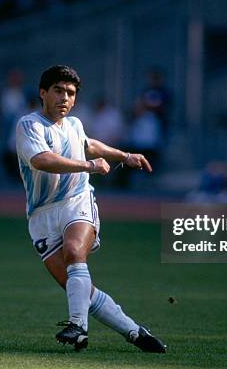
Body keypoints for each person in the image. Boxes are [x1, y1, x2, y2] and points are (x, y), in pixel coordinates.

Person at [15, 65, 166, 352]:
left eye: (70, 93)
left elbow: (88, 145)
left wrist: (124, 155)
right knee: (80, 290)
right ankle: (135, 332)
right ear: (43, 93)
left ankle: (78, 327)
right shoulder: (29, 125)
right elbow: (42, 160)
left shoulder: (74, 124)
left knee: (74, 252)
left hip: (77, 203)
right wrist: (90, 166)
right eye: (58, 91)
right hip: (42, 217)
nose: (65, 98)